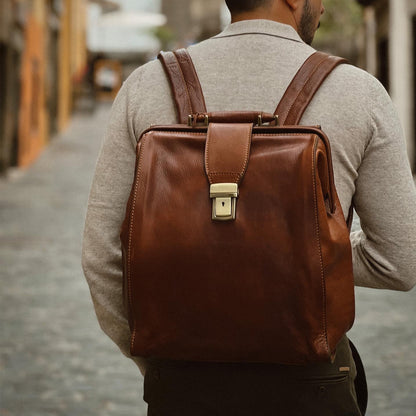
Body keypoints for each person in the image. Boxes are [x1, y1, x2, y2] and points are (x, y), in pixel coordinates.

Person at [82, 0, 416, 414]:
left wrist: (156, 360)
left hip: (182, 383)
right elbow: (399, 260)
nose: (325, 6)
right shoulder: (359, 91)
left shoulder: (145, 85)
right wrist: (306, 253)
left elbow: (102, 257)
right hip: (312, 385)